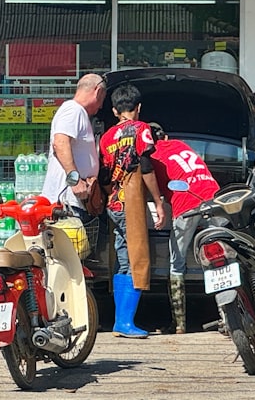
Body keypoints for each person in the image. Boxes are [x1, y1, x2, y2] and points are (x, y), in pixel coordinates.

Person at [99, 83, 167, 338]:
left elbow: (105, 175)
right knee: (137, 260)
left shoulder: (106, 138)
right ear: (138, 108)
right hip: (132, 204)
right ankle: (125, 323)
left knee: (123, 260)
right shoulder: (141, 129)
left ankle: (120, 320)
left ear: (116, 111)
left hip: (113, 204)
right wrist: (159, 202)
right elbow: (146, 166)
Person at [148, 123, 219, 334]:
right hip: (213, 196)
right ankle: (229, 316)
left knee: (176, 264)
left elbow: (153, 190)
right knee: (220, 259)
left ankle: (179, 324)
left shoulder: (152, 157)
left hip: (186, 204)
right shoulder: (179, 144)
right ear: (166, 137)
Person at [41, 73, 106, 221]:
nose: (101, 106)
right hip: (66, 203)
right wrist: (74, 180)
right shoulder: (73, 110)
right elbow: (60, 142)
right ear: (98, 91)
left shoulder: (77, 112)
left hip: (73, 202)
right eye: (101, 100)